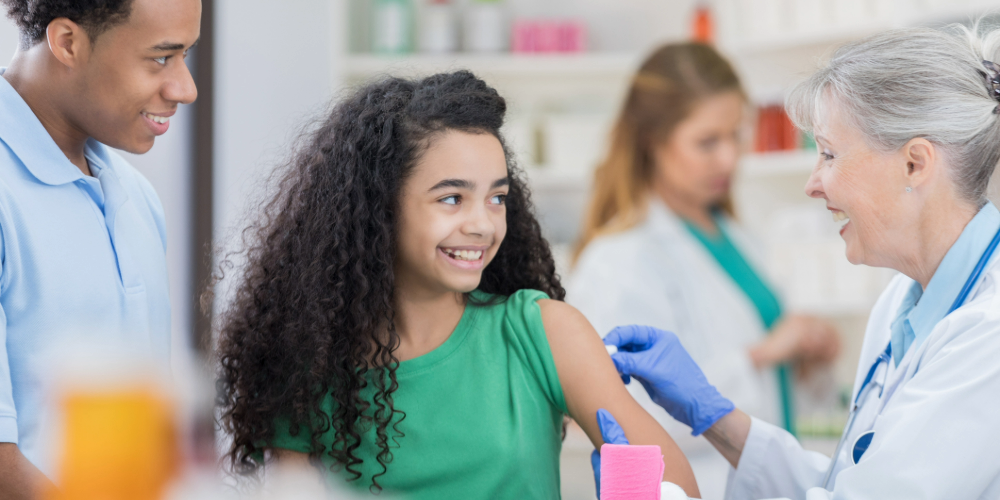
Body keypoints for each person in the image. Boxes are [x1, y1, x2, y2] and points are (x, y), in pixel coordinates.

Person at [213, 71, 700, 499]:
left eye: (497, 197)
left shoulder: (541, 333)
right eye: (452, 198)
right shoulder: (310, 362)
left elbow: (676, 486)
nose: (484, 225)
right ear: (379, 208)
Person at [600, 21, 1000, 499]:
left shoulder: (988, 336)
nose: (813, 183)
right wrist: (717, 419)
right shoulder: (901, 303)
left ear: (914, 163)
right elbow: (844, 484)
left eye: (829, 154)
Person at [566, 42, 840, 497]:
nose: (729, 158)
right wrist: (762, 353)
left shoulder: (735, 235)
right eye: (707, 141)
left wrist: (807, 359)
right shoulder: (617, 260)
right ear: (652, 142)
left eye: (735, 135)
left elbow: (773, 398)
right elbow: (625, 421)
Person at [0, 0, 200, 498]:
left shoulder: (136, 197)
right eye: (160, 58)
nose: (186, 89)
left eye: (187, 56)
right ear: (68, 42)